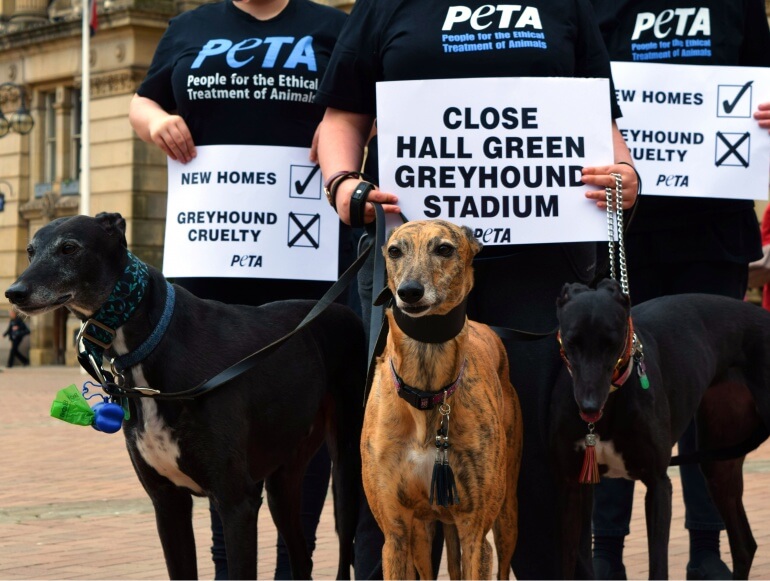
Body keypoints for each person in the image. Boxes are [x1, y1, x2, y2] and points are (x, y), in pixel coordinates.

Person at [314, 1, 639, 578]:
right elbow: (342, 118)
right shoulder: (384, 6)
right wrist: (343, 183)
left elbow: (599, 118)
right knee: (394, 470)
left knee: (540, 464)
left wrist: (625, 172)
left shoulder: (564, 5)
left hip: (541, 268)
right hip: (415, 268)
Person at [128, 0, 351, 578]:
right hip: (207, 255)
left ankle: (293, 563)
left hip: (303, 255)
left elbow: (363, 105)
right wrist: (155, 121)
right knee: (206, 416)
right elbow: (143, 99)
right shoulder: (189, 27)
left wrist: (341, 126)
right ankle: (230, 563)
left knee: (300, 415)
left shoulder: (332, 27)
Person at [588, 1, 770, 579]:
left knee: (703, 396)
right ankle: (606, 550)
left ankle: (706, 549)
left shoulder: (739, 5)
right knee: (608, 392)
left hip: (712, 234)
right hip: (619, 233)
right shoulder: (593, 5)